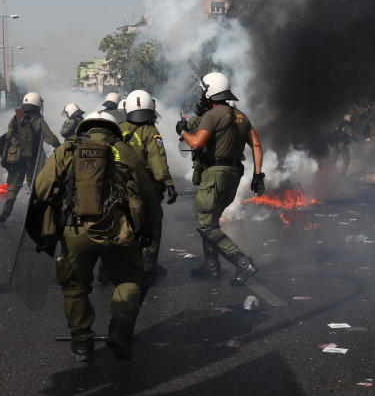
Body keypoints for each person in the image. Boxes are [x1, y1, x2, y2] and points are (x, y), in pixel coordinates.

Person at [33, 111, 161, 362]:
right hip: (118, 230)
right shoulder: (123, 150)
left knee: (74, 287)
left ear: (85, 128)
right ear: (114, 130)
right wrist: (148, 229)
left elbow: (41, 188)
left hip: (75, 230)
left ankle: (81, 342)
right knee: (129, 278)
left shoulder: (68, 149)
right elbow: (148, 195)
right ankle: (120, 330)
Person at [175, 72, 265, 286]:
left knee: (206, 224)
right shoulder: (241, 115)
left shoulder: (212, 115)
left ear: (209, 92)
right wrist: (258, 175)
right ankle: (211, 266)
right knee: (212, 221)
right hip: (234, 175)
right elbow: (257, 146)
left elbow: (196, 143)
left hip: (216, 174)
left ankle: (242, 262)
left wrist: (182, 132)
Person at [120, 89, 177, 288]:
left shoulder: (118, 129)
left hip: (121, 186)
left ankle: (112, 268)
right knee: (153, 223)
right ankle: (148, 267)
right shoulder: (151, 132)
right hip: (145, 187)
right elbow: (157, 161)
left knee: (123, 224)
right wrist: (168, 183)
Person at [0, 92, 61, 223]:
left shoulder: (17, 115)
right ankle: (35, 214)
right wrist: (59, 147)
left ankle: (8, 206)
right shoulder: (38, 120)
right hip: (33, 158)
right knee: (35, 184)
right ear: (38, 104)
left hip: (15, 157)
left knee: (14, 183)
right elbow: (50, 137)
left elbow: (9, 135)